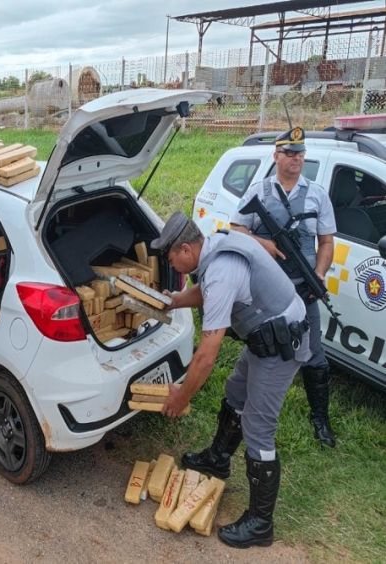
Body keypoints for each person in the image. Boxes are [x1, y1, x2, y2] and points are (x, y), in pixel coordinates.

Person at [152, 211, 310, 548]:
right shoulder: (217, 245)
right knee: (236, 392)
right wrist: (177, 300)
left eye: (170, 259)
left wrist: (182, 396)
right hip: (264, 335)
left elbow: (207, 354)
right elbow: (207, 290)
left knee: (259, 427)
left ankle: (260, 524)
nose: (173, 266)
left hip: (281, 345)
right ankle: (218, 459)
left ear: (184, 249)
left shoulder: (222, 270)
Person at [230, 127, 337, 448]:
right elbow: (235, 229)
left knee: (315, 355)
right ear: (276, 156)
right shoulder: (259, 192)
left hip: (303, 289)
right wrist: (263, 242)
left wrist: (318, 273)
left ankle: (320, 419)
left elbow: (327, 241)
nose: (297, 159)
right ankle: (244, 403)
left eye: (301, 153)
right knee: (259, 347)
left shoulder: (317, 194)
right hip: (266, 294)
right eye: (290, 153)